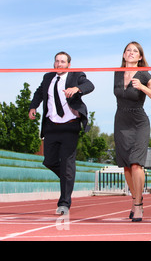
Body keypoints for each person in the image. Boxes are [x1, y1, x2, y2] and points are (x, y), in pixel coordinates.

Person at [29, 51, 95, 215]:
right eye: (56, 61)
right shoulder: (48, 77)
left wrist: (77, 88)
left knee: (67, 163)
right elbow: (39, 92)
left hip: (70, 126)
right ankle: (68, 179)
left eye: (62, 61)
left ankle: (64, 203)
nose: (59, 64)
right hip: (52, 126)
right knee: (49, 161)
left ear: (68, 64)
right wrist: (33, 106)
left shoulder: (76, 75)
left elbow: (90, 85)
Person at [114, 41, 151, 222]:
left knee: (135, 164)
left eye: (135, 51)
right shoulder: (116, 73)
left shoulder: (144, 74)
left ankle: (139, 205)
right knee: (126, 165)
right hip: (120, 121)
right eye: (128, 50)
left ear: (140, 57)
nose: (131, 53)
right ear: (124, 55)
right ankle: (134, 200)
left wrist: (142, 87)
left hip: (139, 122)